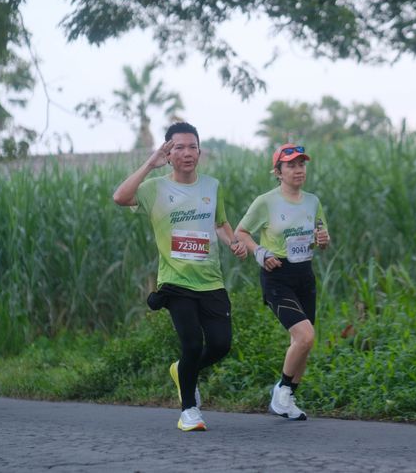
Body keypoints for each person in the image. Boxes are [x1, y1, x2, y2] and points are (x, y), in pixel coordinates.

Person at [113, 121, 247, 431]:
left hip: (211, 280)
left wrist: (234, 243)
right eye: (179, 147)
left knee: (220, 344)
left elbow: (220, 223)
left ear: (200, 151)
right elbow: (120, 197)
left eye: (192, 147)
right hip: (175, 282)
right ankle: (189, 411)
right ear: (168, 152)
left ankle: (182, 370)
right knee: (192, 344)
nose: (187, 153)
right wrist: (150, 163)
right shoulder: (155, 188)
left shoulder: (212, 186)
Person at [234, 143, 330, 421]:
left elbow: (321, 237)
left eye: (301, 164)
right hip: (277, 275)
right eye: (291, 165)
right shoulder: (266, 202)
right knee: (305, 336)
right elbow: (241, 232)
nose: (298, 170)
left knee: (303, 343)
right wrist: (260, 253)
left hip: (304, 275)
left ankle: (287, 398)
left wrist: (323, 239)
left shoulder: (312, 201)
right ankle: (282, 390)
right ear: (278, 172)